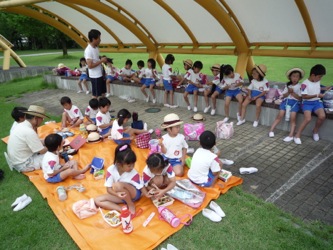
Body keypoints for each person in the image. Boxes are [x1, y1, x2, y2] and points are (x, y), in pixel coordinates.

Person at [94, 144, 143, 214]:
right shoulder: (111, 170)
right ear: (119, 164)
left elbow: (141, 187)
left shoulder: (133, 172)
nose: (132, 167)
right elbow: (109, 189)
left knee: (117, 185)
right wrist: (117, 194)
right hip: (122, 195)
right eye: (129, 166)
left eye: (133, 164)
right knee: (97, 200)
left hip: (134, 194)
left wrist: (148, 193)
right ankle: (121, 209)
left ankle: (130, 204)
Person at [294, 64, 330, 144]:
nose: (320, 79)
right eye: (319, 77)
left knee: (322, 116)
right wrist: (317, 95)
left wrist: (324, 88)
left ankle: (315, 131)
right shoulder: (304, 84)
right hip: (307, 103)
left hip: (317, 102)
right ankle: (297, 135)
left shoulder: (316, 80)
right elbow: (304, 96)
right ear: (313, 75)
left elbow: (315, 87)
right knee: (308, 119)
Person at [7, 105, 48, 172]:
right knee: (53, 154)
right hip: (24, 164)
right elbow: (42, 151)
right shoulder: (29, 131)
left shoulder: (21, 125)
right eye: (42, 119)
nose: (42, 121)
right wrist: (54, 144)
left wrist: (47, 141)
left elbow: (35, 142)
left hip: (17, 160)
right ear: (35, 118)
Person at [269, 68, 304, 142]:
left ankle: (291, 135)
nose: (295, 78)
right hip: (286, 102)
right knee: (280, 115)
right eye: (293, 76)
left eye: (297, 76)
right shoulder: (287, 85)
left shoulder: (300, 86)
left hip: (295, 103)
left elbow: (300, 98)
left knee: (293, 118)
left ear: (299, 78)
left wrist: (292, 93)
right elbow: (284, 95)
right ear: (290, 77)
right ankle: (271, 130)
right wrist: (288, 92)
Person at [84, 29, 107, 98]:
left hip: (100, 73)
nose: (100, 40)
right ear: (94, 39)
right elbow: (90, 66)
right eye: (99, 38)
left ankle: (104, 107)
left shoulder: (96, 48)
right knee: (96, 95)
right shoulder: (88, 50)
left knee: (103, 93)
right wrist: (101, 61)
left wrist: (101, 58)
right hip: (95, 76)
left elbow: (95, 58)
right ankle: (94, 108)